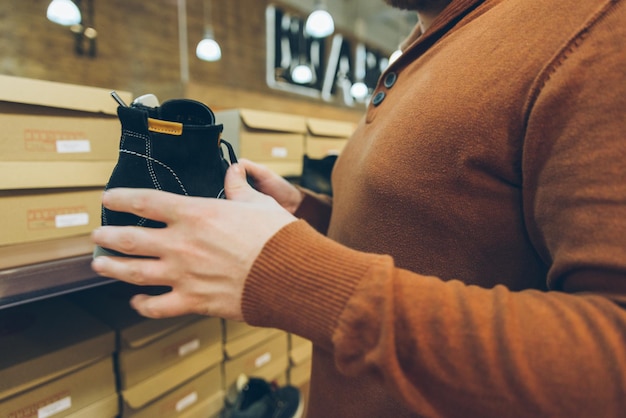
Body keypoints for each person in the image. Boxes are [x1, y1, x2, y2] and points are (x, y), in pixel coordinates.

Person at [91, 0, 626, 416]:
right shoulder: (430, 42)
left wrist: (291, 274)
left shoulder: (592, 33)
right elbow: (441, 238)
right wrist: (308, 216)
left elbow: (611, 365)